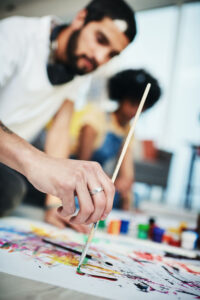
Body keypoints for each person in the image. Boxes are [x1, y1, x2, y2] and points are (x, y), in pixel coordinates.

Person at [0, 0, 137, 230]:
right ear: (81, 18)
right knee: (11, 189)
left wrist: (55, 205)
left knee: (72, 197)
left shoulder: (79, 69)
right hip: (13, 164)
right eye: (100, 39)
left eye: (112, 54)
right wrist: (38, 162)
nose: (101, 58)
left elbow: (60, 130)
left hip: (12, 164)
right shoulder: (15, 34)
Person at [66, 69, 161, 211]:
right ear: (121, 98)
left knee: (129, 197)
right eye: (132, 103)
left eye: (142, 107)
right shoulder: (96, 117)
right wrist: (112, 181)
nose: (136, 111)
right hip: (77, 173)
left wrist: (126, 196)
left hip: (99, 179)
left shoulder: (128, 131)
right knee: (83, 198)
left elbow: (127, 175)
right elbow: (83, 164)